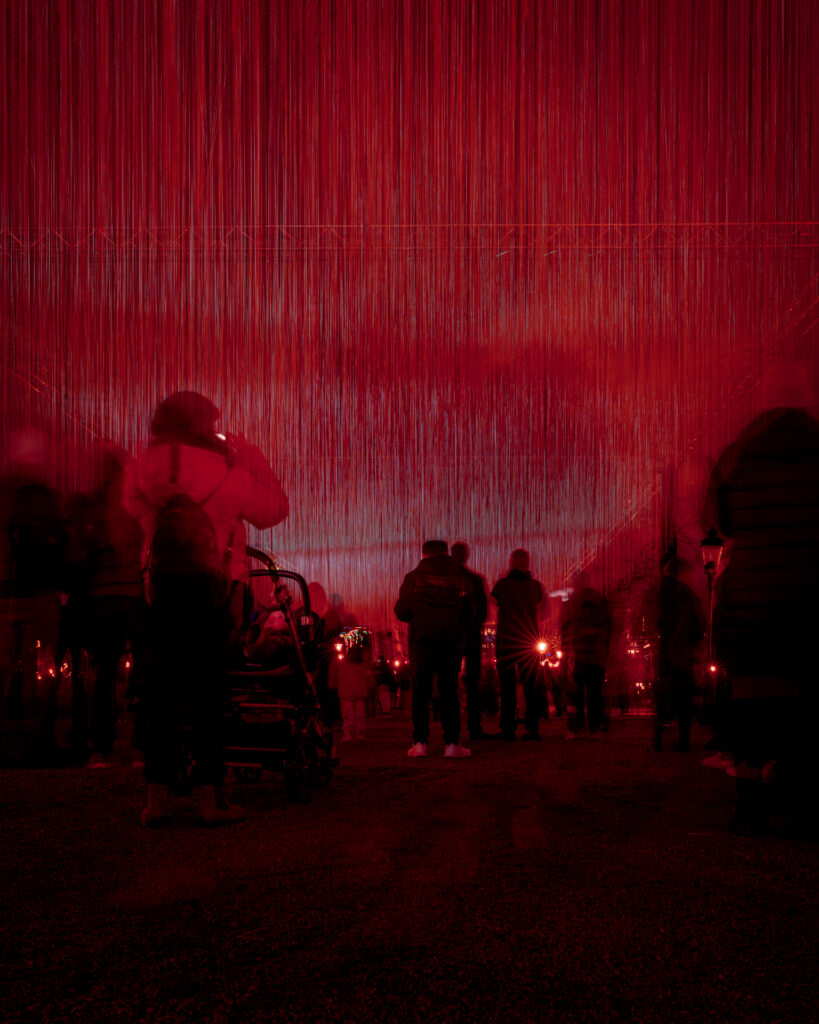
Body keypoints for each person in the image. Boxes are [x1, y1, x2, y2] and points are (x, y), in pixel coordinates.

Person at [124, 391, 289, 826]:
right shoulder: (228, 470)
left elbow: (133, 509)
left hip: (158, 590)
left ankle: (155, 801)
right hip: (215, 591)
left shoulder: (146, 467)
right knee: (209, 692)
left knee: (160, 690)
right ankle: (210, 799)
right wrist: (250, 454)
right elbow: (274, 511)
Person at [705, 387, 819, 837]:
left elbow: (722, 523)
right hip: (810, 595)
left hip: (754, 598)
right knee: (807, 709)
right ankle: (805, 803)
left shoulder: (736, 461)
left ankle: (747, 811)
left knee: (749, 709)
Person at [394, 540, 472, 758]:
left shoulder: (413, 578)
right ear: (445, 553)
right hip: (450, 641)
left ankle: (420, 743)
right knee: (449, 692)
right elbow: (470, 611)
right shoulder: (460, 577)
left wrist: (419, 617)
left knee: (421, 693)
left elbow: (401, 611)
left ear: (424, 554)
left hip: (422, 641)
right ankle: (452, 744)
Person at [491, 549, 545, 741]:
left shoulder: (503, 585)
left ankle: (508, 728)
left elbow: (493, 604)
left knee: (507, 686)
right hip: (528, 639)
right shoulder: (535, 587)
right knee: (531, 685)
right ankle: (533, 728)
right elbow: (542, 609)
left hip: (507, 639)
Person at [652, 552, 704, 753]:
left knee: (664, 695)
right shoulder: (689, 594)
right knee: (683, 698)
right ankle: (683, 740)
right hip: (682, 652)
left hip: (670, 650)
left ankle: (659, 740)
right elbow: (698, 624)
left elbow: (662, 620)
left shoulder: (667, 589)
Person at [561, 572, 611, 737]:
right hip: (595, 654)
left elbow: (565, 628)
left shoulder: (571, 604)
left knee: (578, 693)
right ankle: (594, 725)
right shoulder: (599, 602)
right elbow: (607, 627)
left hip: (580, 654)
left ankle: (578, 725)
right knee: (594, 692)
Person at [451, 542, 488, 740]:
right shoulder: (475, 580)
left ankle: (453, 727)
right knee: (473, 682)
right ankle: (474, 726)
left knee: (449, 681)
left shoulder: (445, 580)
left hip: (451, 635)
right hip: (471, 634)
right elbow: (483, 611)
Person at [329, 641, 374, 741]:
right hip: (358, 693)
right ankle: (359, 733)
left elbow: (333, 675)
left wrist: (332, 687)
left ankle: (349, 733)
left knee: (348, 715)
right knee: (359, 715)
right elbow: (369, 678)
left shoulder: (341, 663)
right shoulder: (363, 664)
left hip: (347, 693)